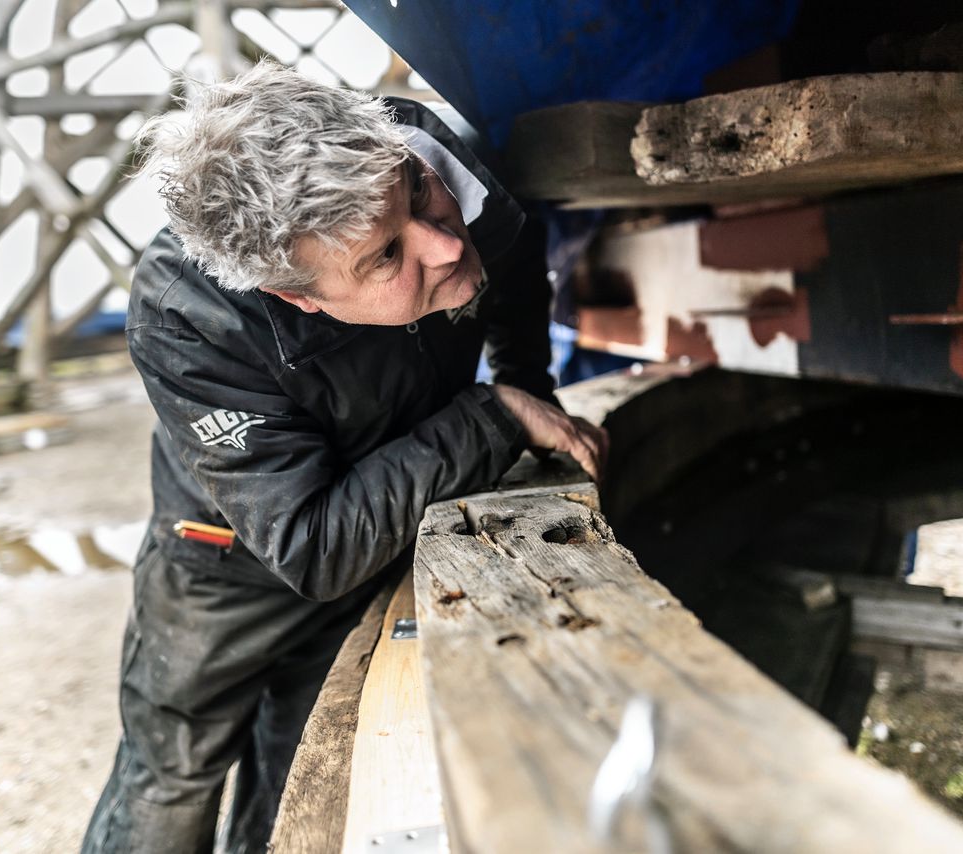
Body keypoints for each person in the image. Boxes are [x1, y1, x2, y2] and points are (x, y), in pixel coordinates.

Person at [81, 60, 608, 853]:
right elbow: (312, 543)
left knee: (306, 770)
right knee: (174, 779)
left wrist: (532, 386)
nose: (442, 243)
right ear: (296, 294)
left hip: (381, 523)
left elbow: (513, 252)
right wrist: (492, 418)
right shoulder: (183, 311)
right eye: (385, 258)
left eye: (418, 198)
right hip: (230, 566)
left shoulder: (421, 151)